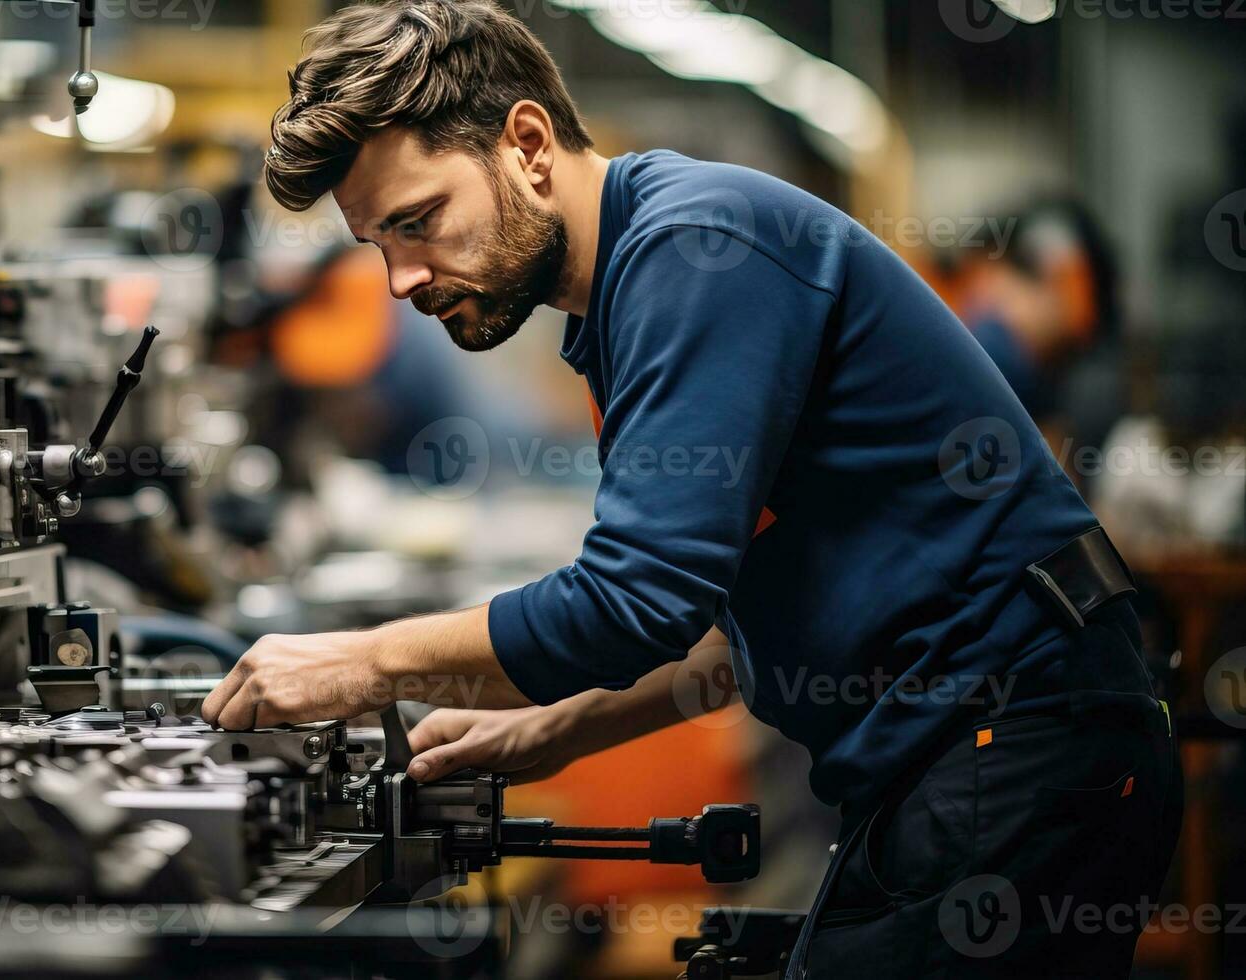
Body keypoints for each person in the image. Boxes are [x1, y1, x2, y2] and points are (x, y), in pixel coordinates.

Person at [200, 2, 1180, 975]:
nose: (400, 279)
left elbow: (636, 599)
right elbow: (728, 611)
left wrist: (364, 660)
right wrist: (560, 726)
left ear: (528, 144)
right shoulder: (631, 290)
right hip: (966, 749)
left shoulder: (690, 249)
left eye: (418, 220)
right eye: (379, 242)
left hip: (1022, 738)